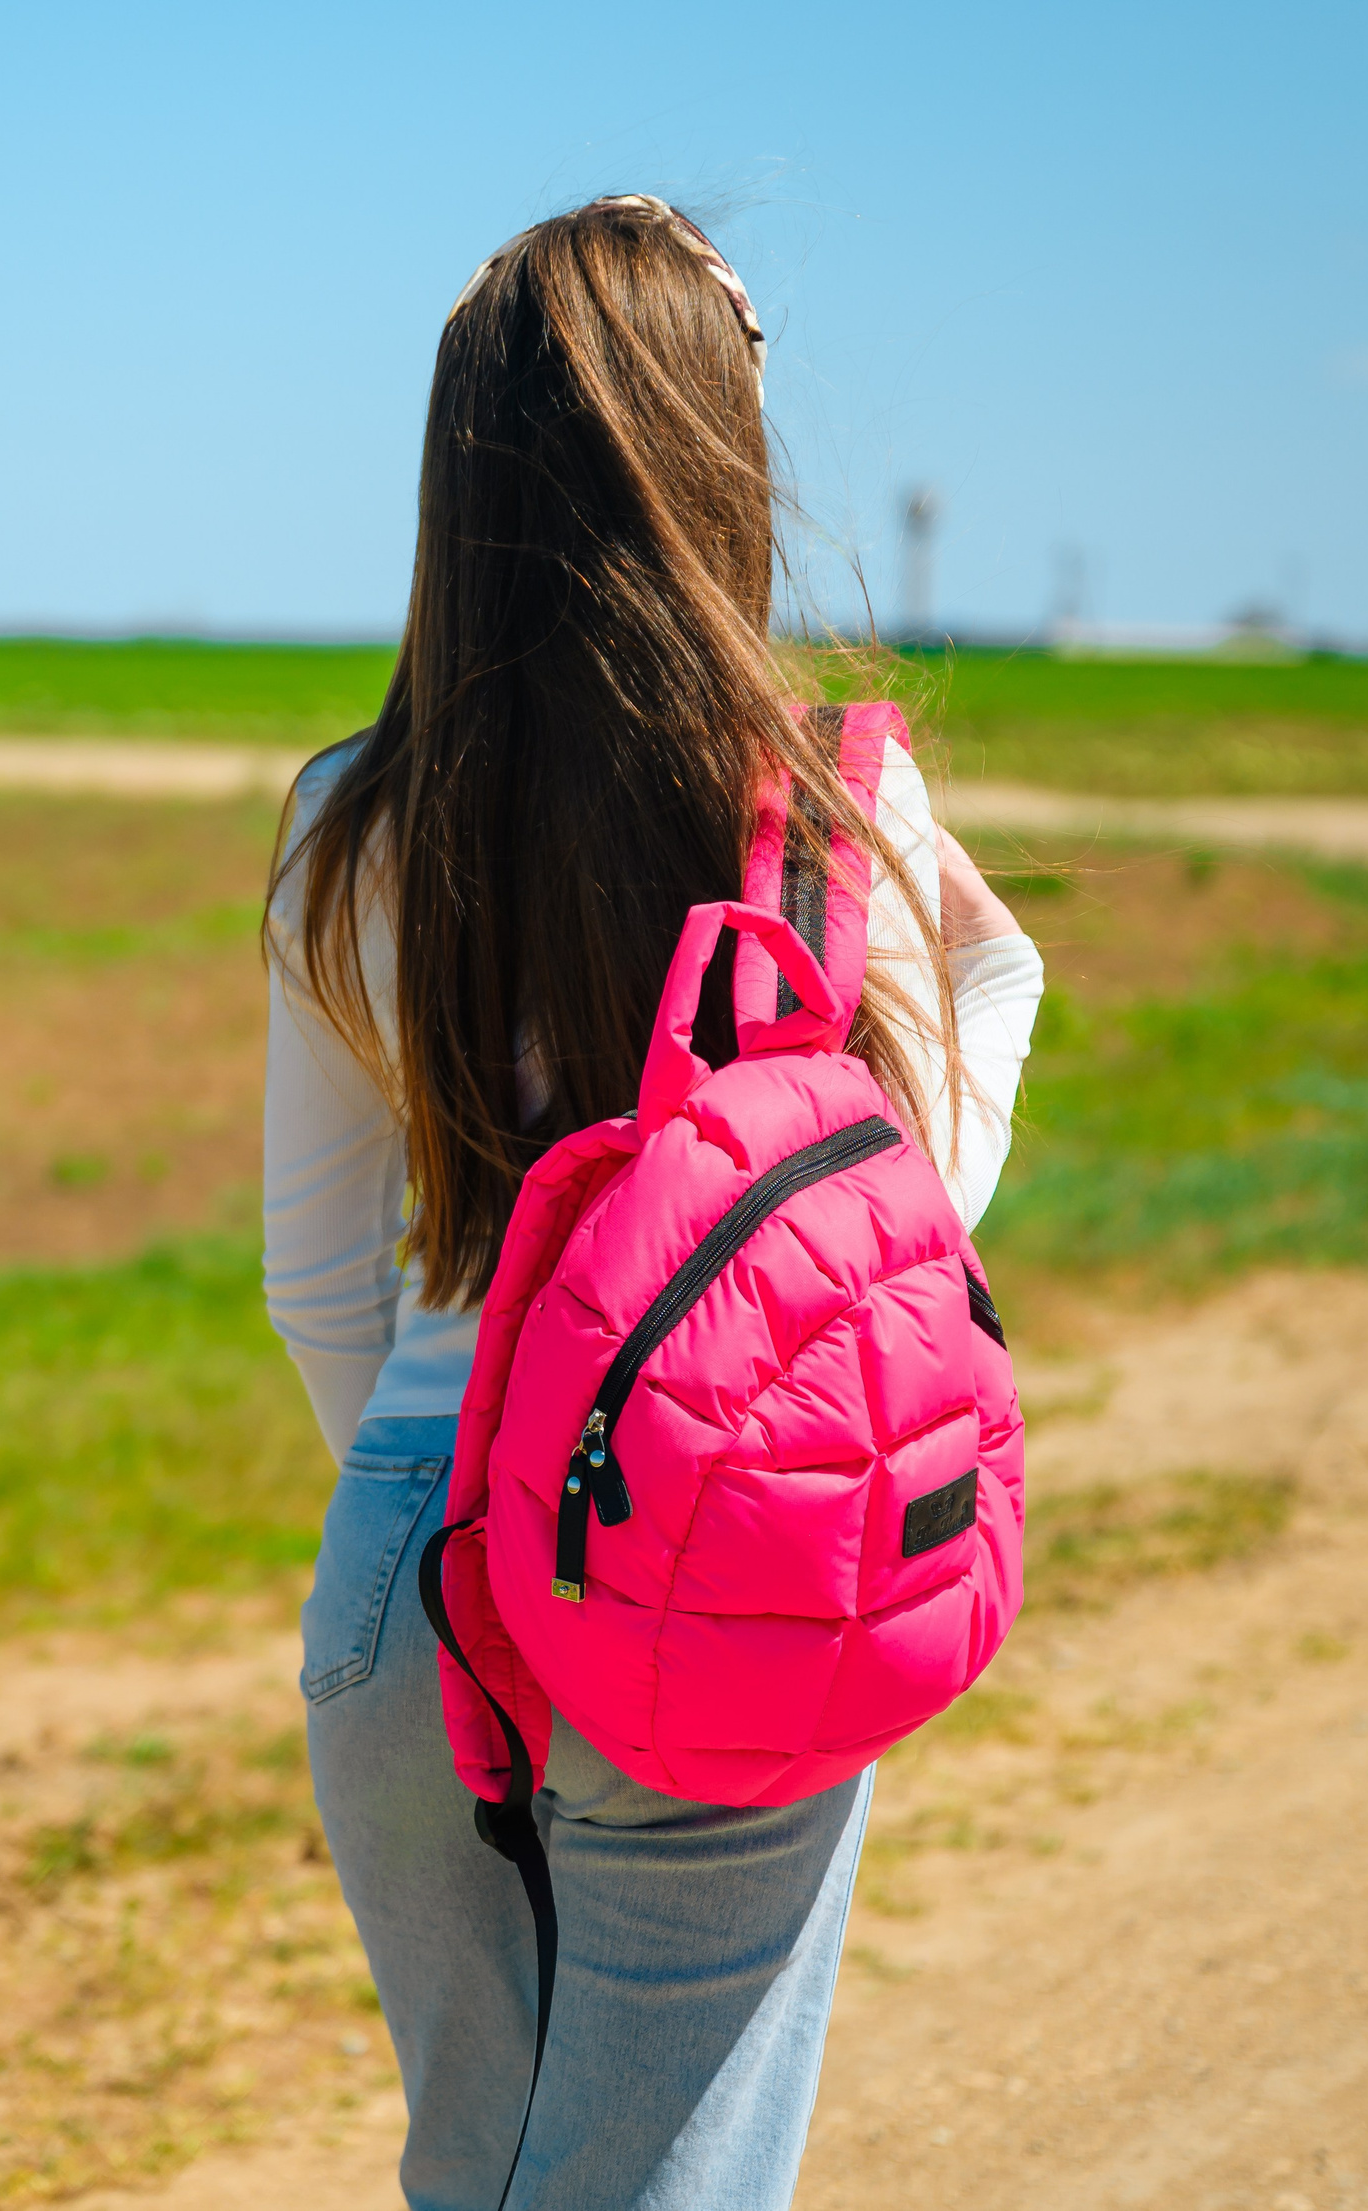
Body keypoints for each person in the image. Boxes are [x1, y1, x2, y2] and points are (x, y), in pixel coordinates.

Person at [262, 197, 1046, 2211]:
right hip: (691, 1548)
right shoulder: (825, 802)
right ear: (719, 445)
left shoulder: (343, 814)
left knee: (481, 2174)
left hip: (398, 1563)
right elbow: (918, 1165)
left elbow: (313, 1280)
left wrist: (457, 1520)